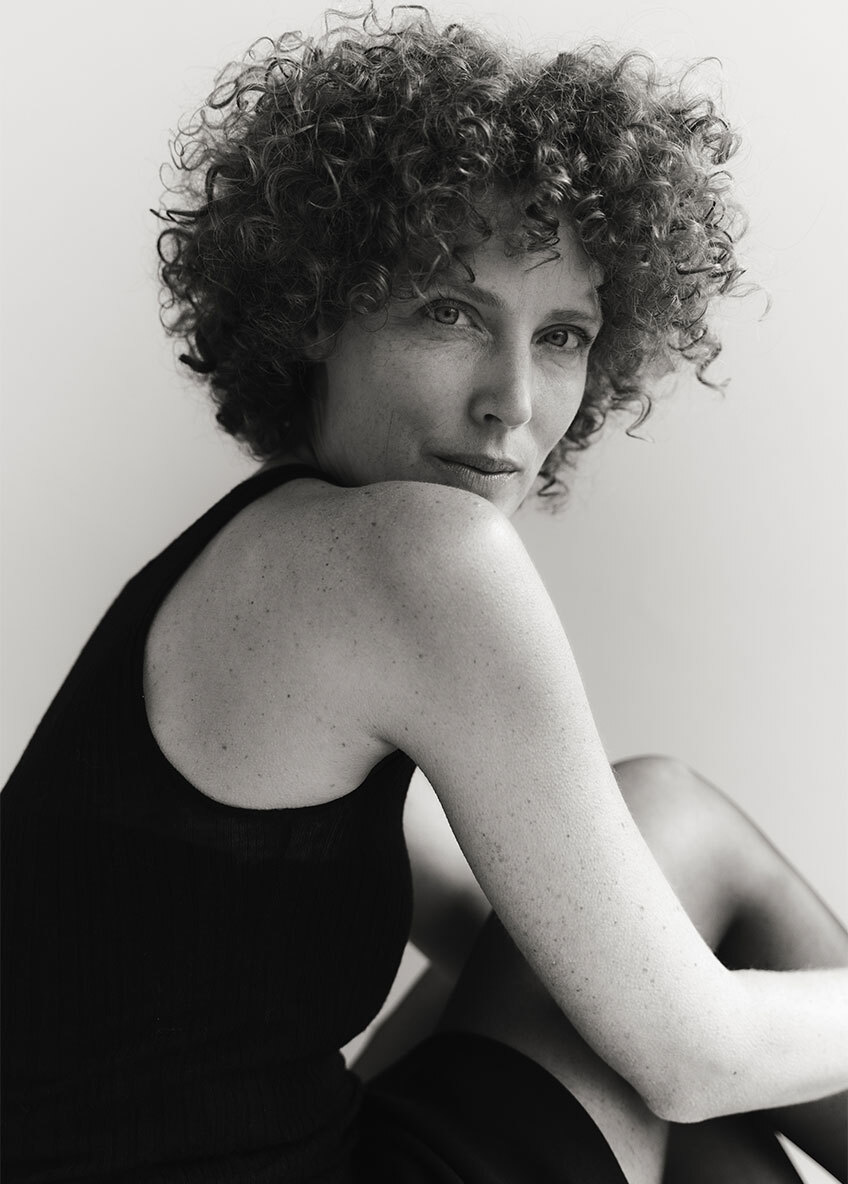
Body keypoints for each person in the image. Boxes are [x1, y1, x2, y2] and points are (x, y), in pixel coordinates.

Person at [2, 9, 846, 1184]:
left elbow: (543, 946)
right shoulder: (415, 557)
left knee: (644, 1007)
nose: (513, 400)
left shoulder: (262, 565)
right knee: (671, 827)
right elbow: (686, 1052)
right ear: (314, 309)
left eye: (562, 335)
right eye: (450, 312)